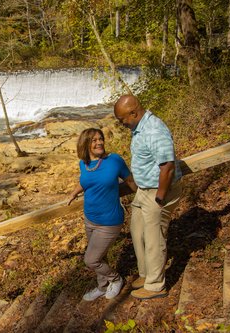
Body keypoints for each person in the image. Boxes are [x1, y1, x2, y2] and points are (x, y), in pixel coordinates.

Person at [113, 95, 182, 300]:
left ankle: (155, 285)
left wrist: (160, 197)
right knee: (138, 231)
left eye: (122, 119)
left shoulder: (154, 130)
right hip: (144, 189)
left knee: (154, 239)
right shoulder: (139, 128)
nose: (121, 123)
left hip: (157, 191)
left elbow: (167, 167)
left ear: (133, 113)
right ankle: (146, 274)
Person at [68, 128, 137, 301]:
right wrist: (74, 192)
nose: (99, 143)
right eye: (94, 140)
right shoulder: (84, 164)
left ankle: (116, 279)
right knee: (100, 256)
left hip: (110, 221)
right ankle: (102, 286)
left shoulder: (113, 160)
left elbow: (130, 181)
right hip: (90, 218)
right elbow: (86, 181)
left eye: (101, 139)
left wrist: (144, 198)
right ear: (85, 144)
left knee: (91, 260)